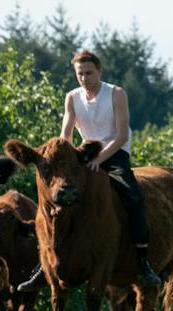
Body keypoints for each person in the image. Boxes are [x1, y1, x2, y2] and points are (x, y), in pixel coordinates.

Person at [61, 49, 162, 288]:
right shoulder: (72, 97)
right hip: (85, 154)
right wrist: (65, 158)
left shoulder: (116, 94)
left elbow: (120, 135)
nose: (84, 78)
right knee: (57, 196)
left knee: (133, 198)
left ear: (99, 71)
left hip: (115, 153)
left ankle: (142, 260)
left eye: (88, 73)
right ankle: (45, 262)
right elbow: (65, 134)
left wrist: (100, 158)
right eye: (80, 74)